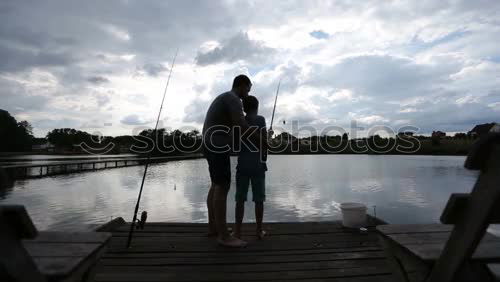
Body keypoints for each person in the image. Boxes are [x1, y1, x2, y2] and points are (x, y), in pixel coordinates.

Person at [202, 74, 255, 247]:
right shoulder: (234, 99)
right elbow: (241, 125)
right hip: (217, 144)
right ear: (241, 85)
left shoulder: (226, 97)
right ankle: (224, 236)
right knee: (223, 185)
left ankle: (214, 228)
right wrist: (260, 139)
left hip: (209, 142)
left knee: (216, 184)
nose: (249, 91)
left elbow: (234, 130)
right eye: (248, 87)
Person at [233, 95, 269, 240]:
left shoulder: (240, 121)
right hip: (258, 167)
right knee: (259, 199)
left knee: (239, 199)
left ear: (244, 108)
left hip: (242, 166)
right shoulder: (261, 120)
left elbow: (235, 146)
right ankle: (259, 230)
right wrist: (268, 136)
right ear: (257, 106)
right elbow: (264, 143)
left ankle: (237, 232)